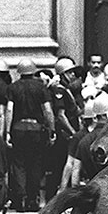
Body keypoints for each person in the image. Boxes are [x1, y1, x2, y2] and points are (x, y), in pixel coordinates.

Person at [4, 58, 55, 211]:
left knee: (19, 164)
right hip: (36, 129)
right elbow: (48, 111)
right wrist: (52, 130)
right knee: (35, 164)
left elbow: (9, 110)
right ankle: (33, 199)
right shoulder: (40, 87)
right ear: (33, 71)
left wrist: (7, 131)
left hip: (18, 128)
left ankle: (21, 199)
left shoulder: (12, 88)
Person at [45, 58, 81, 202]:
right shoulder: (59, 89)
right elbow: (60, 115)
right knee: (59, 165)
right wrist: (73, 132)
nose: (72, 75)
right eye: (69, 72)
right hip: (64, 135)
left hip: (66, 133)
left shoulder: (65, 89)